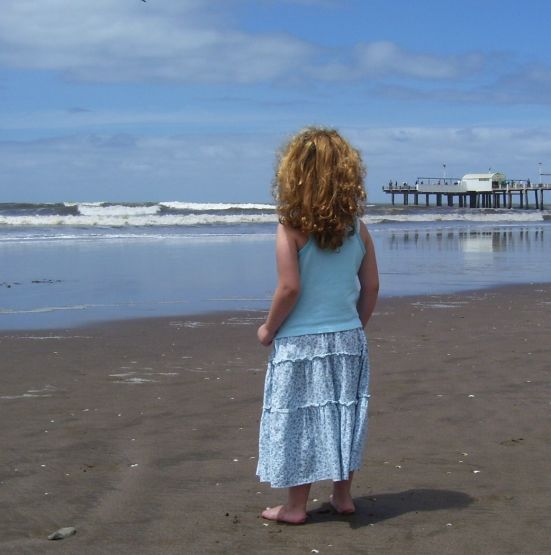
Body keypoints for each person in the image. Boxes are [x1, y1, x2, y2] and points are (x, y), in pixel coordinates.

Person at [256, 127, 380, 524]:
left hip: (299, 344)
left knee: (301, 418)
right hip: (348, 339)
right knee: (343, 413)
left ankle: (295, 507)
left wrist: (268, 329)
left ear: (293, 175)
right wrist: (354, 325)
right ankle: (342, 497)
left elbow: (289, 287)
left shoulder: (290, 227)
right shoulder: (357, 228)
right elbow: (372, 285)